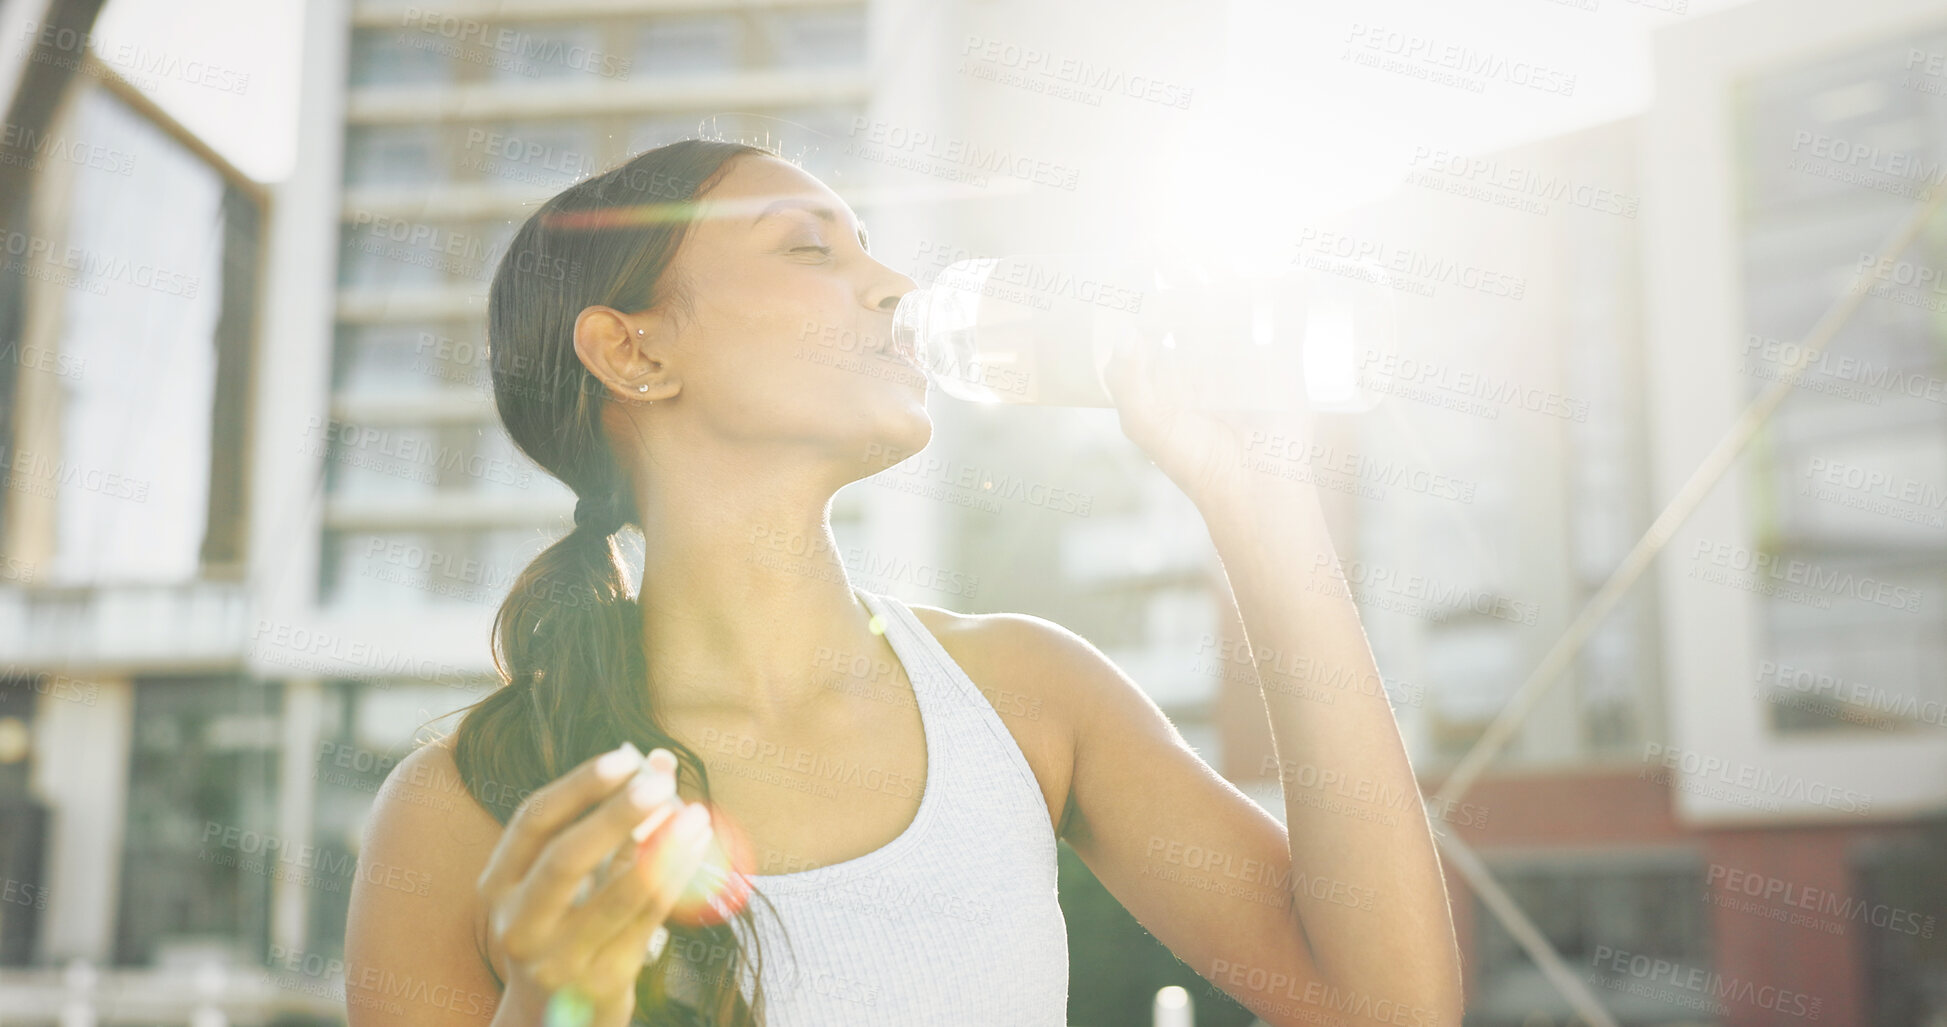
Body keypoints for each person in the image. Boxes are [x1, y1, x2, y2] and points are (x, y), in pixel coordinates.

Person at [344, 138, 1463, 1027]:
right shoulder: (461, 808)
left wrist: (1259, 493)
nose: (892, 285)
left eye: (870, 246)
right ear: (634, 353)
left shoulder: (1028, 695)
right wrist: (551, 1006)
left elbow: (1385, 1007)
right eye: (809, 249)